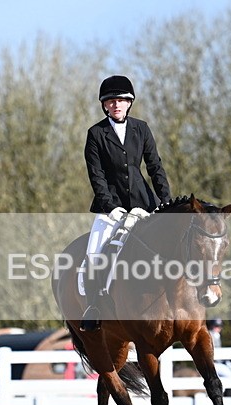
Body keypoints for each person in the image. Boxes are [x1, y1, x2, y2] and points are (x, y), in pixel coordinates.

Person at [80, 75, 172, 332]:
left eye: (121, 100)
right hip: (110, 205)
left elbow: (155, 167)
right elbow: (96, 175)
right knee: (95, 251)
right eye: (111, 101)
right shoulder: (96, 134)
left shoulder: (141, 129)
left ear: (129, 103)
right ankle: (94, 304)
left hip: (144, 201)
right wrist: (110, 206)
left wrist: (166, 202)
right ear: (104, 105)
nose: (116, 104)